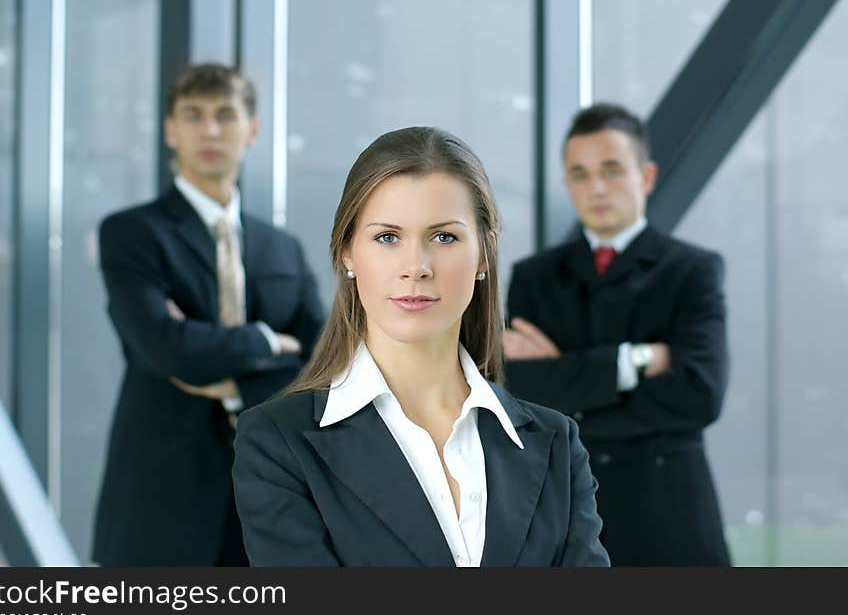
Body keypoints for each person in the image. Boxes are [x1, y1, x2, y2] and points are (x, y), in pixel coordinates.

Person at [232, 126, 610, 567]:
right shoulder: (278, 443)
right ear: (347, 253)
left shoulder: (557, 445)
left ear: (484, 255)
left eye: (444, 237)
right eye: (387, 238)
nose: (416, 267)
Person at [92, 64, 324, 566]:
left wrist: (240, 386)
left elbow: (328, 363)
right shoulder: (131, 234)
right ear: (171, 131)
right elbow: (164, 347)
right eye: (193, 116)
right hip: (160, 494)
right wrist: (267, 343)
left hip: (272, 490)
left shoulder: (283, 249)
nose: (211, 131)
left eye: (225, 115)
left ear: (252, 130)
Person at [502, 103, 730, 566]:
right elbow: (523, 399)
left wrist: (568, 381)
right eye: (580, 174)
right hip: (566, 514)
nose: (597, 188)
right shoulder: (535, 277)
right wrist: (634, 363)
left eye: (611, 170)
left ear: (645, 176)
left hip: (670, 515)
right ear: (567, 183)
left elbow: (700, 396)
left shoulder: (692, 271)